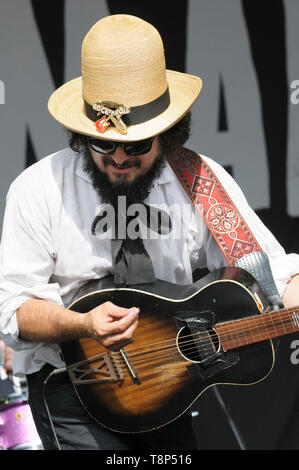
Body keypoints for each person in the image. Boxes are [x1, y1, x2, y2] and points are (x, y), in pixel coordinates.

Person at [0, 14, 299, 451]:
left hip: (172, 385)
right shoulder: (39, 187)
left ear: (168, 133)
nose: (119, 157)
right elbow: (14, 309)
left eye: (137, 144)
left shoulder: (200, 181)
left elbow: (272, 275)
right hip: (75, 388)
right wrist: (82, 323)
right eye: (103, 143)